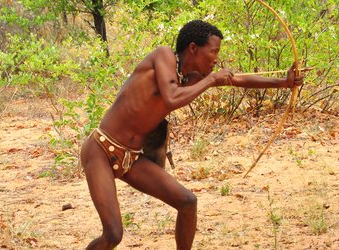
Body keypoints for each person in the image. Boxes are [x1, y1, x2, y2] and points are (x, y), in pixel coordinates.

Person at [80, 20, 303, 250]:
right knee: (113, 234)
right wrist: (210, 80)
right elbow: (171, 98)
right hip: (102, 151)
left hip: (132, 158)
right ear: (194, 48)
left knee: (187, 202)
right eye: (214, 51)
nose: (216, 59)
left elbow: (236, 80)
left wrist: (284, 83)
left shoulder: (191, 79)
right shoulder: (163, 55)